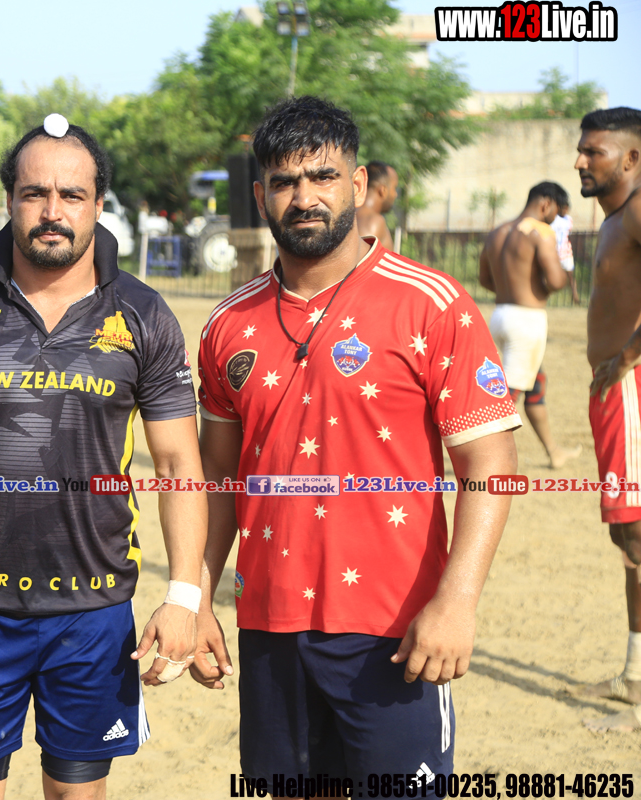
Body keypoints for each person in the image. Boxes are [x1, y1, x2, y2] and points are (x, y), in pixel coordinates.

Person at [0, 115, 210, 800]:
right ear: (9, 200)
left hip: (94, 610)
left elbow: (180, 463)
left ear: (98, 203)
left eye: (72, 194)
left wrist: (184, 596)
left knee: (76, 794)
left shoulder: (143, 313)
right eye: (34, 193)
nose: (52, 211)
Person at [194, 96, 519, 778]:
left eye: (323, 176)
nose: (304, 197)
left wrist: (457, 602)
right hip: (269, 623)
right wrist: (194, 597)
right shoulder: (228, 323)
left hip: (395, 625)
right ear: (260, 195)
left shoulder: (431, 303)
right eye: (284, 182)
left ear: (359, 183)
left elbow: (490, 465)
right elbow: (216, 481)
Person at [564, 107, 641, 732]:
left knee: (637, 535)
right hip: (614, 393)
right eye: (581, 150)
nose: (580, 162)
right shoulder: (617, 219)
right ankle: (635, 675)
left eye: (594, 152)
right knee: (627, 539)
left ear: (631, 159)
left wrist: (627, 358)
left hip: (632, 388)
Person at [478, 181, 581, 469]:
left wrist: (512, 287)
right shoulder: (540, 231)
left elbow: (484, 279)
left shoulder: (498, 231)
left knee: (535, 384)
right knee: (507, 397)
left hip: (500, 316)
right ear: (546, 204)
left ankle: (553, 451)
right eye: (555, 214)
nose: (554, 221)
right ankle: (483, 460)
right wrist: (541, 285)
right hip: (527, 321)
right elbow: (556, 280)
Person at [354, 159, 397, 250]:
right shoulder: (373, 221)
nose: (395, 194)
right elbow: (357, 256)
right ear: (383, 190)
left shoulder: (351, 214)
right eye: (394, 188)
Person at [552, 201, 579, 304]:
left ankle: (575, 296)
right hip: (554, 251)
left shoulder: (569, 220)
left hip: (566, 252)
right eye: (563, 209)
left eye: (567, 209)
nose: (565, 211)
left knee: (570, 275)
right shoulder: (554, 219)